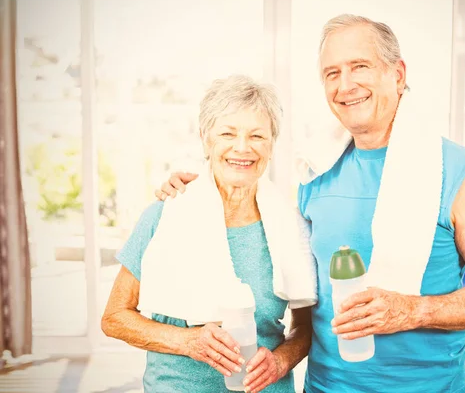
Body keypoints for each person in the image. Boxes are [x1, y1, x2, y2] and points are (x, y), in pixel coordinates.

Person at [155, 14, 465, 393]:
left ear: (397, 74)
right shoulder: (316, 172)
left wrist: (412, 310)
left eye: (359, 67)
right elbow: (292, 280)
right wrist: (194, 189)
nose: (345, 85)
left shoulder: (459, 172)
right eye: (332, 73)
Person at [102, 74, 317, 393]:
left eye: (257, 135)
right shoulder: (167, 212)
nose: (242, 148)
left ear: (272, 144)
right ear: (206, 139)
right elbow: (115, 318)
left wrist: (281, 361)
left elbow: (305, 327)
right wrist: (188, 342)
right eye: (227, 133)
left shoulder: (292, 224)